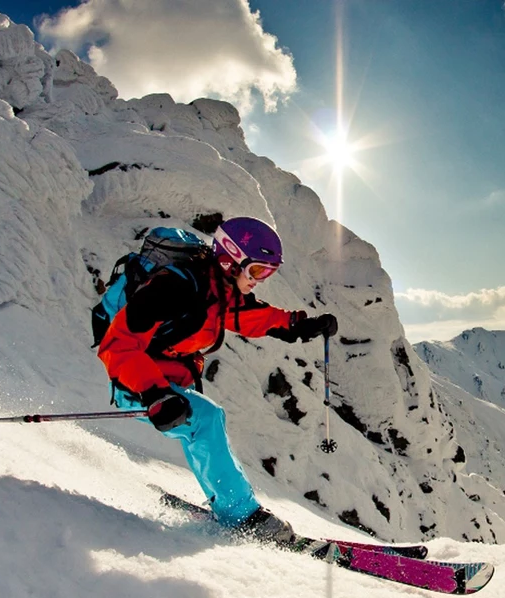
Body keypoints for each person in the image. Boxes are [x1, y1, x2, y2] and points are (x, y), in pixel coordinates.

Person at [96, 217, 338, 543]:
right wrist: (155, 395)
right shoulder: (173, 287)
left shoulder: (217, 289)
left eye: (267, 273)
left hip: (167, 382)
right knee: (207, 419)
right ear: (230, 258)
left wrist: (301, 325)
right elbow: (117, 345)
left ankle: (227, 500)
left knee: (204, 423)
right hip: (137, 382)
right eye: (256, 271)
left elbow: (252, 316)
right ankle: (241, 516)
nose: (259, 281)